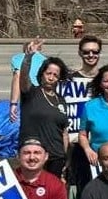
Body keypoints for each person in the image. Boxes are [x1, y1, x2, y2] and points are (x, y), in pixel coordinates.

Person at [12, 41, 73, 176]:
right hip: (34, 157)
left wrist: (67, 157)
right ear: (42, 74)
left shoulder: (61, 100)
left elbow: (64, 132)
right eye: (48, 73)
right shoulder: (31, 92)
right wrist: (28, 57)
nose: (51, 78)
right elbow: (23, 78)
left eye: (55, 75)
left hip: (57, 158)